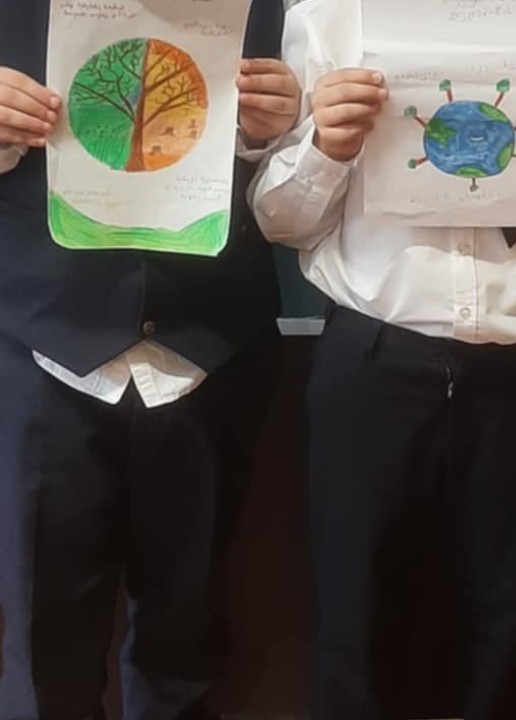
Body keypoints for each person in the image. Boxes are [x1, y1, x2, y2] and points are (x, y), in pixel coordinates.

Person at [250, 1, 516, 718]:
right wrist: (326, 149)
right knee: (355, 617)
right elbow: (281, 223)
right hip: (372, 357)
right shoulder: (329, 21)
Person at [0, 2, 301, 718]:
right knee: (44, 648)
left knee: (187, 639)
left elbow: (310, 184)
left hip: (210, 351)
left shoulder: (275, 9)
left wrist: (277, 131)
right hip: (43, 347)